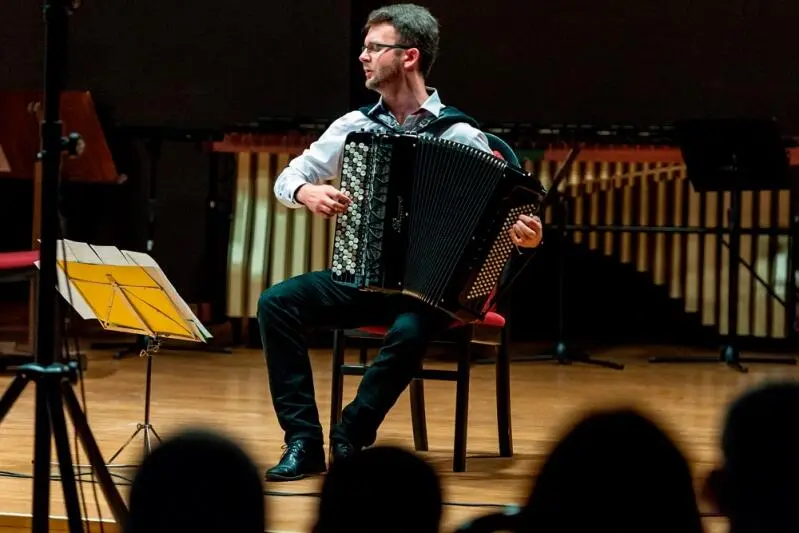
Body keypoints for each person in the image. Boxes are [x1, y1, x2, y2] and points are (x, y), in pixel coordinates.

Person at [258, 3, 543, 482]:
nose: (363, 56)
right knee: (276, 304)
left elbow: (508, 221)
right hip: (367, 279)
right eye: (364, 47)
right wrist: (307, 192)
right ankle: (303, 441)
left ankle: (350, 435)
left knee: (410, 330)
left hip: (436, 293)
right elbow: (291, 175)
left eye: (375, 47)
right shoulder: (354, 127)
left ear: (409, 56)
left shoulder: (461, 134)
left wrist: (524, 237)